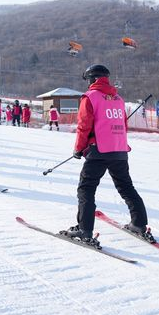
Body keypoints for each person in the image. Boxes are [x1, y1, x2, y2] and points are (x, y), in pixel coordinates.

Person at [61, 64, 152, 247]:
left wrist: (78, 148)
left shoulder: (90, 97)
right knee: (126, 187)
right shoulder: (118, 98)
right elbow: (123, 126)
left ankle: (84, 229)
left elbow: (84, 126)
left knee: (86, 189)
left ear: (92, 79)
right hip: (119, 150)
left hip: (99, 150)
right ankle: (139, 224)